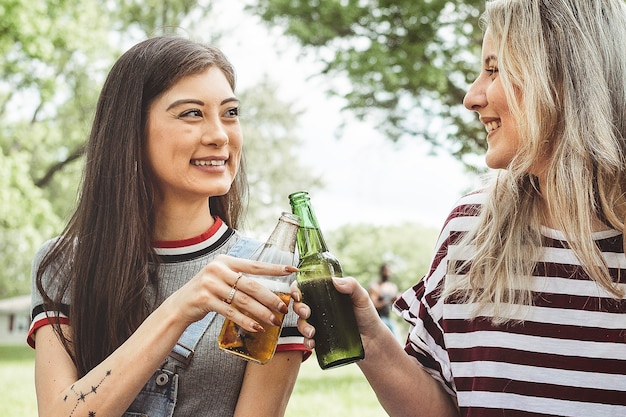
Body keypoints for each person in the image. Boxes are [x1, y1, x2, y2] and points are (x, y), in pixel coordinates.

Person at [291, 0, 626, 416]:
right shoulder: (471, 230)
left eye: (494, 69)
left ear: (565, 78)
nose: (471, 97)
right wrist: (371, 338)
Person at [28, 36, 309, 417]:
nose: (220, 135)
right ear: (131, 130)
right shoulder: (65, 262)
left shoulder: (272, 279)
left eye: (230, 112)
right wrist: (179, 310)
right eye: (192, 113)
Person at [367, 263, 399, 335]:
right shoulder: (375, 287)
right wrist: (388, 300)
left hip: (388, 319)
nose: (387, 273)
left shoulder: (392, 287)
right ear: (381, 272)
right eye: (386, 271)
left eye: (389, 271)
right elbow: (373, 304)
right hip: (377, 319)